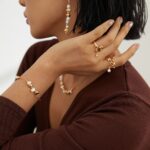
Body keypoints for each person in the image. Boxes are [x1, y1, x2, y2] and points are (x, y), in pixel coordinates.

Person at [0, 0, 150, 149]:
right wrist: (49, 65)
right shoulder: (40, 57)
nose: (21, 1)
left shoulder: (126, 115)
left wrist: (49, 65)